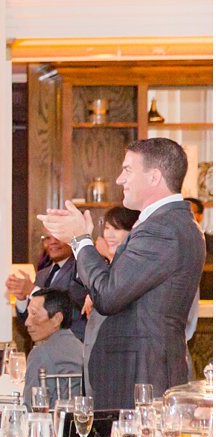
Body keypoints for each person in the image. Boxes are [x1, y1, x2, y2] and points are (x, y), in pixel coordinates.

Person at [40, 138, 206, 410]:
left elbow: (108, 295)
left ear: (154, 176)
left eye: (128, 170)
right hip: (139, 371)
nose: (119, 179)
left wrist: (80, 239)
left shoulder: (162, 228)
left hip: (140, 375)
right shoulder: (168, 223)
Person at [81, 205, 138, 396]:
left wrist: (109, 254)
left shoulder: (135, 262)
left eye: (117, 228)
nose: (110, 234)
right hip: (97, 354)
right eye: (106, 228)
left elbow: (117, 293)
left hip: (123, 362)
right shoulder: (106, 264)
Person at [6, 232, 89, 343]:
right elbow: (29, 321)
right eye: (47, 238)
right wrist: (21, 299)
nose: (52, 242)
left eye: (58, 237)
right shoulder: (41, 275)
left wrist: (32, 290)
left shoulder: (81, 269)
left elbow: (71, 308)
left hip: (72, 345)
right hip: (43, 349)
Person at [23, 289, 85, 402]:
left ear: (57, 319)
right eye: (28, 314)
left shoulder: (40, 353)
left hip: (51, 418)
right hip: (79, 417)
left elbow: (31, 408)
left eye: (34, 314)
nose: (27, 322)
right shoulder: (81, 349)